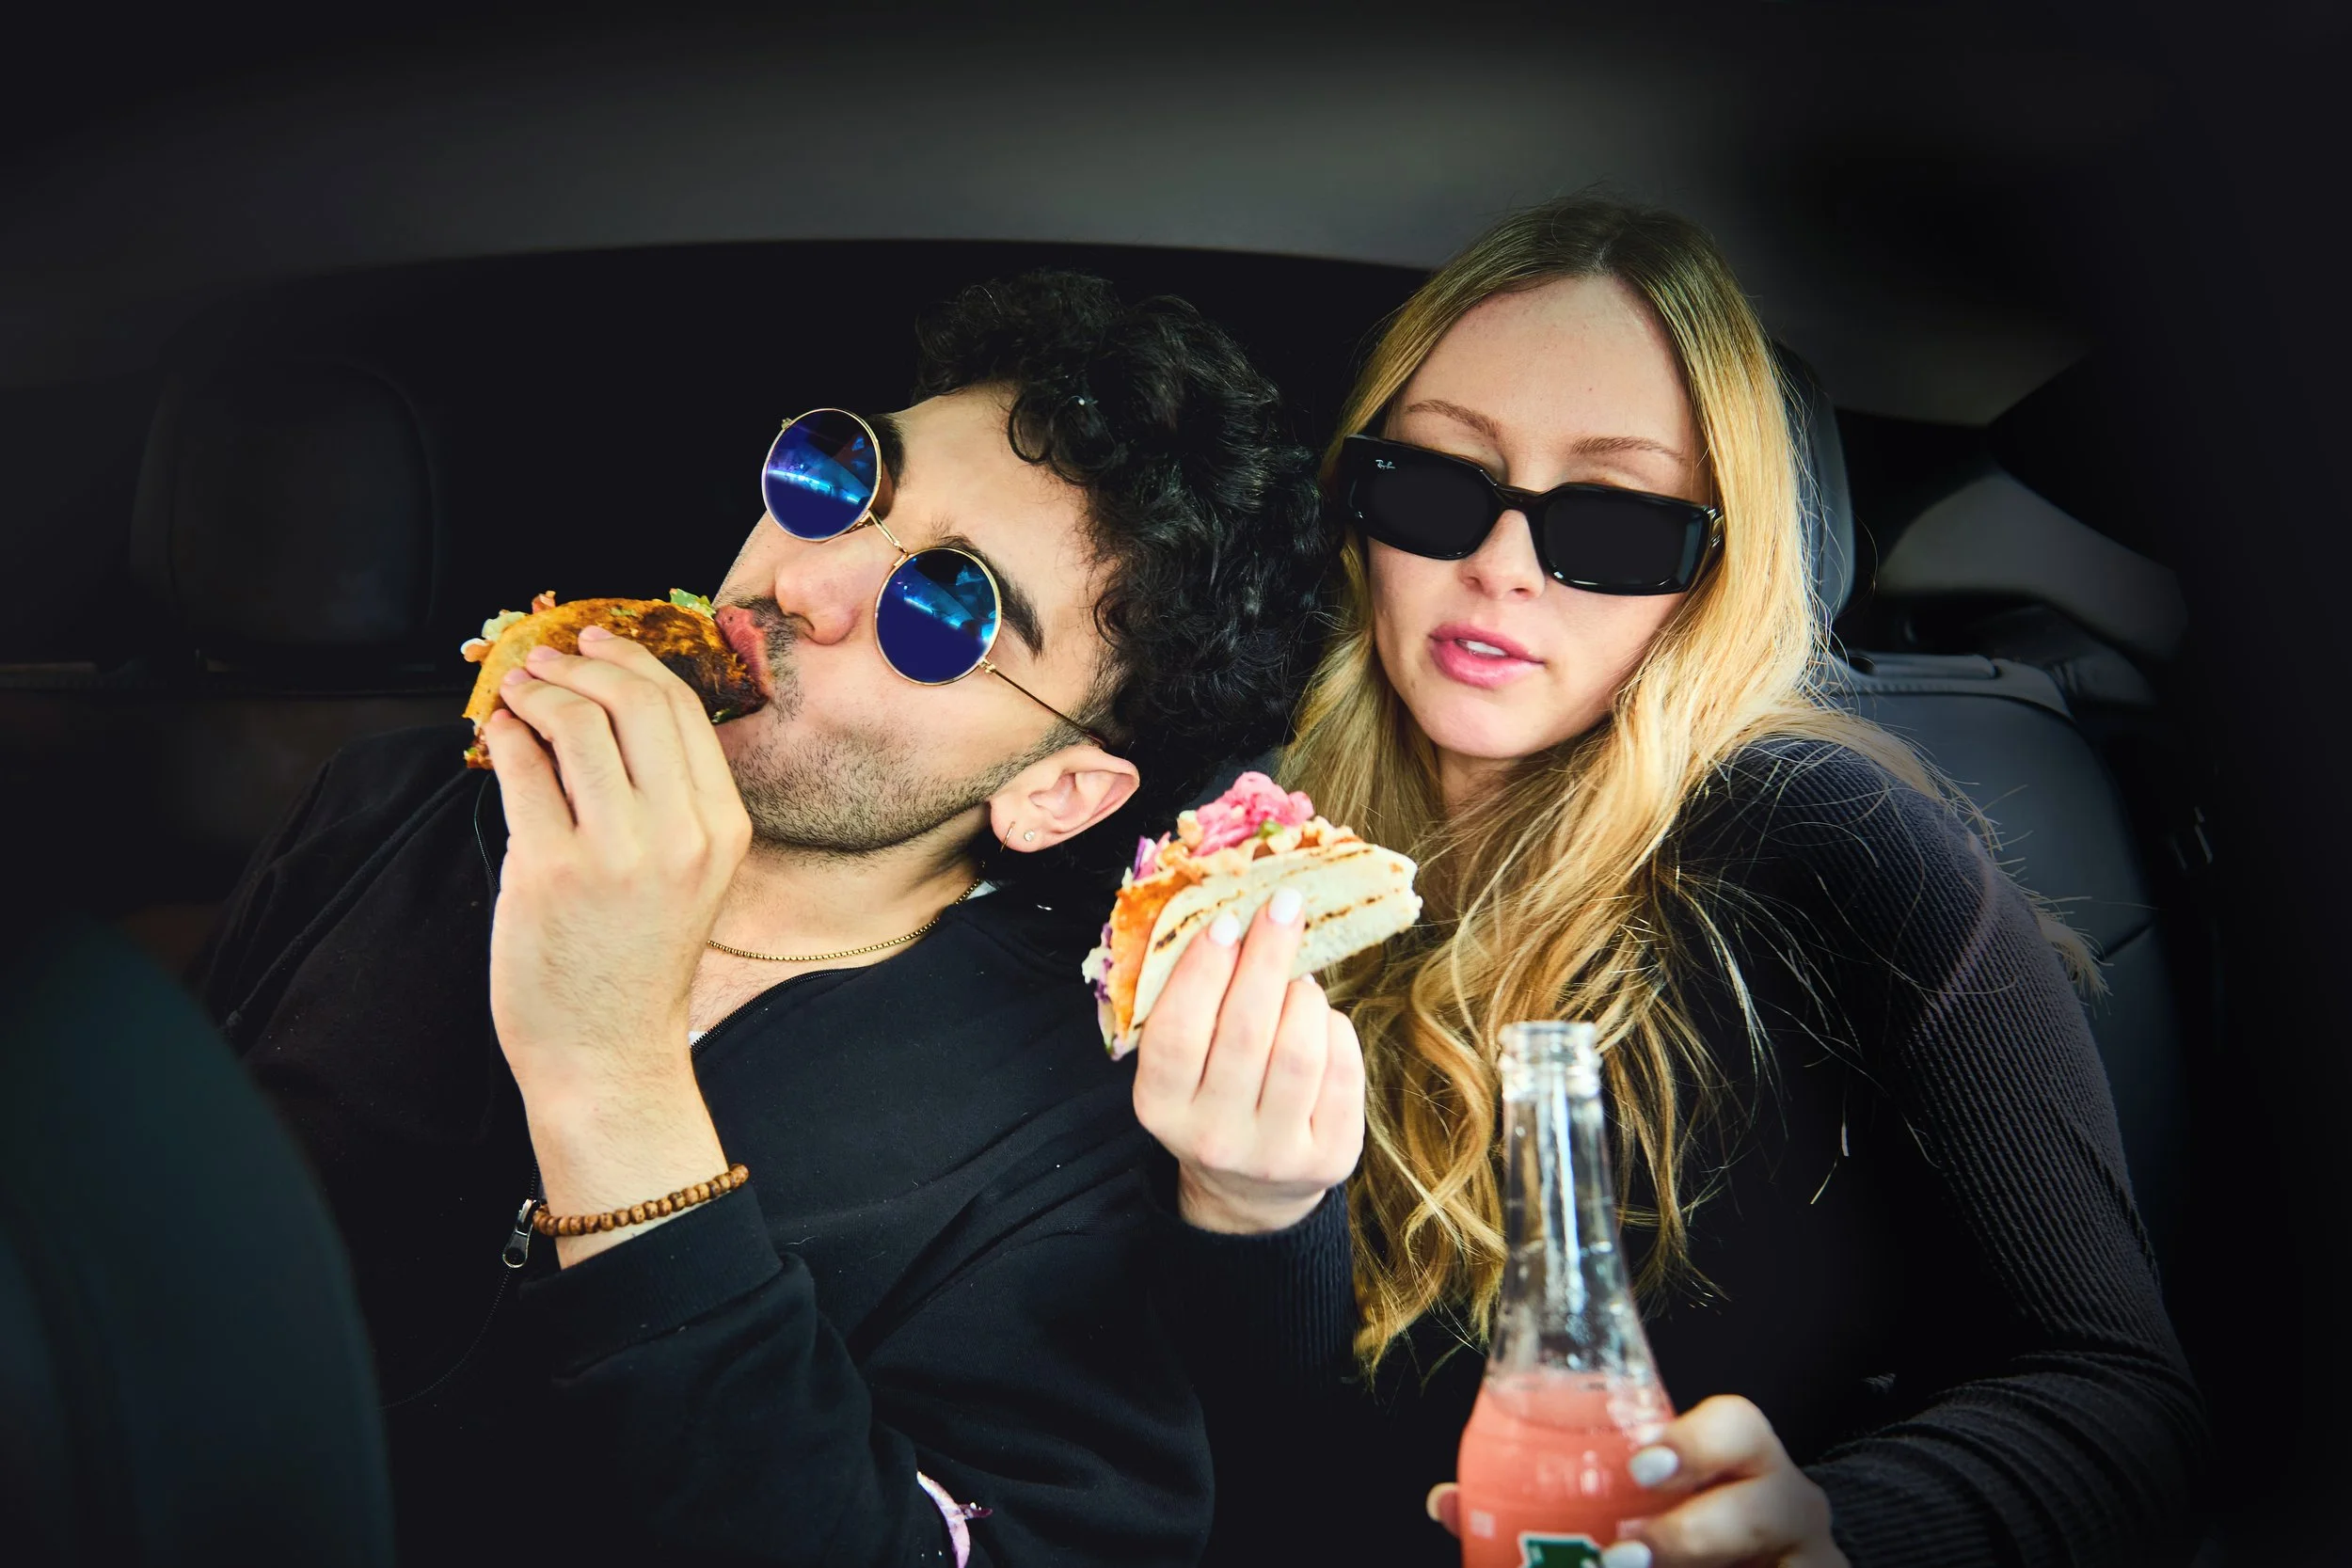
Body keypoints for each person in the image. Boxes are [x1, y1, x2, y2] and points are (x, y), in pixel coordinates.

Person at [189, 270, 1329, 1566]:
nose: (806, 581)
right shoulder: (400, 804)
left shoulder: (1071, 1154)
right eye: (839, 479)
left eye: (942, 608)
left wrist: (610, 1072)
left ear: (1052, 792)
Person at [1134, 197, 2211, 1566]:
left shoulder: (1843, 850)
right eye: (1436, 485)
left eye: (1614, 523)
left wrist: (1833, 1530)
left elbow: (2121, 1404)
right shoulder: (1242, 867)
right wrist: (1248, 1213)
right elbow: (1246, 1481)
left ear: (1713, 565)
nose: (1499, 569)